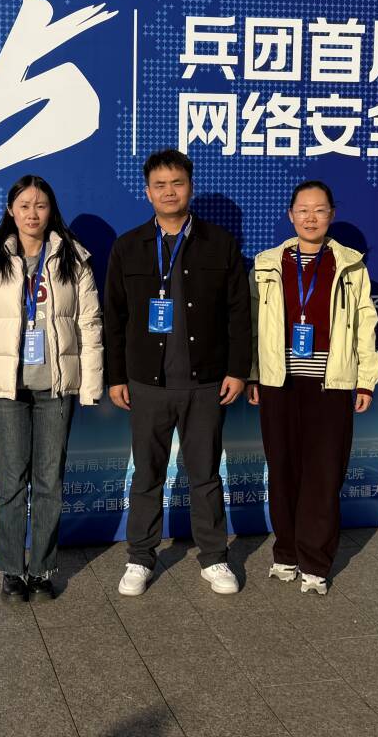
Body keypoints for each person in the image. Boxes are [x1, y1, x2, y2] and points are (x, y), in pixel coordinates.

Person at [104, 148, 251, 596]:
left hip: (206, 383)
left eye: (178, 183)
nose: (169, 192)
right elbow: (114, 317)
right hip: (147, 383)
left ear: (190, 186)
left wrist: (238, 370)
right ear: (147, 192)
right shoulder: (128, 246)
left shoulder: (220, 243)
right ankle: (139, 558)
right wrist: (116, 376)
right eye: (160, 185)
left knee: (205, 474)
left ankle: (214, 558)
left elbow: (238, 314)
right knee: (146, 474)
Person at [0, 175, 103, 601]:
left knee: (49, 481)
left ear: (51, 210)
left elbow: (90, 324)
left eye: (40, 205)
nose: (32, 214)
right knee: (11, 481)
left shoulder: (73, 258)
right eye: (24, 205)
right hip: (7, 390)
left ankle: (41, 569)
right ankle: (10, 569)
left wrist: (90, 383)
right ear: (11, 211)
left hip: (55, 388)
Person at [246, 180, 378, 595]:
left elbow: (365, 325)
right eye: (303, 210)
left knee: (323, 474)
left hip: (330, 384)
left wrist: (365, 380)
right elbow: (252, 325)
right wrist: (252, 373)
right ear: (290, 215)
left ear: (331, 215)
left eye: (319, 210)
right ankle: (286, 553)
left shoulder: (351, 266)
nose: (311, 217)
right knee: (282, 469)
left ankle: (316, 563)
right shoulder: (267, 264)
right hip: (278, 382)